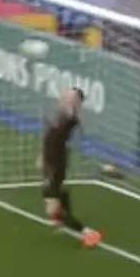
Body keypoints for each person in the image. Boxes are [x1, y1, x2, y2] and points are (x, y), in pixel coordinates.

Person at [41, 88, 103, 248]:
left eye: (69, 96)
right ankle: (62, 215)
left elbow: (72, 118)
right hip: (51, 166)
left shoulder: (69, 120)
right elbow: (49, 140)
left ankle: (88, 233)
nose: (64, 97)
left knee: (52, 209)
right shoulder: (61, 118)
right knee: (55, 198)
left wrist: (74, 103)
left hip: (54, 168)